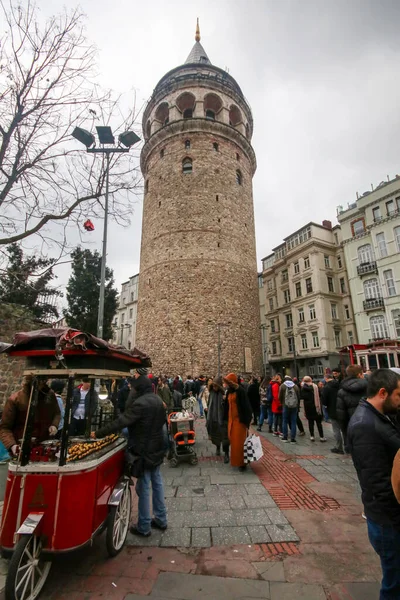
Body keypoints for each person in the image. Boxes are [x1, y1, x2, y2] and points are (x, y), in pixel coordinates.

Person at [347, 369, 400, 600]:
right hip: (388, 521)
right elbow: (378, 484)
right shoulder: (364, 426)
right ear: (382, 393)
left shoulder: (381, 416)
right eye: (398, 395)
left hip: (388, 517)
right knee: (394, 585)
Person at [94, 373, 167, 537]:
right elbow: (162, 422)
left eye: (133, 388)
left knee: (144, 486)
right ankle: (161, 519)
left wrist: (98, 433)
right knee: (157, 483)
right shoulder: (157, 401)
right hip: (157, 447)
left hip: (144, 450)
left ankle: (144, 526)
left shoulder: (140, 404)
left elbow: (122, 422)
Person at [0, 377, 60, 455]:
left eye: (43, 381)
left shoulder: (50, 395)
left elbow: (57, 413)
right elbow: (5, 428)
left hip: (44, 445)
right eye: (39, 381)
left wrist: (54, 425)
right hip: (21, 446)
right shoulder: (15, 399)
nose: (41, 384)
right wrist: (12, 445)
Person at [223, 372, 252, 471]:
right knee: (233, 441)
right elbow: (226, 406)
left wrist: (246, 420)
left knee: (240, 442)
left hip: (239, 421)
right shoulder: (229, 392)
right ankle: (236, 460)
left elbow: (246, 405)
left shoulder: (241, 391)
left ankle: (242, 463)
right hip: (231, 420)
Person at [336, 365, 368, 453]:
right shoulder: (370, 387)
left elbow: (342, 416)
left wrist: (346, 439)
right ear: (359, 374)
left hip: (352, 426)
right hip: (371, 425)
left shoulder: (342, 391)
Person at [206, 376, 229, 462]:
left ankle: (226, 453)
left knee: (225, 438)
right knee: (216, 436)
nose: (215, 388)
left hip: (222, 419)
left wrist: (225, 400)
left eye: (216, 386)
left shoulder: (223, 394)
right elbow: (209, 404)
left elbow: (227, 407)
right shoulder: (211, 393)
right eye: (213, 386)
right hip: (213, 418)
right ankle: (218, 448)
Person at [300, 376, 326, 442]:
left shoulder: (303, 388)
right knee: (319, 423)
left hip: (308, 407)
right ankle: (321, 437)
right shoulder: (315, 387)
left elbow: (302, 397)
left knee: (310, 422)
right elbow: (320, 395)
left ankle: (312, 436)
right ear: (311, 380)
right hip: (316, 407)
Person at [322, 374, 343, 454]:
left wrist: (326, 406)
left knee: (336, 429)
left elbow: (324, 400)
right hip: (342, 408)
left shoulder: (326, 387)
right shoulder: (339, 385)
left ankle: (339, 447)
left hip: (333, 410)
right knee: (344, 429)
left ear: (326, 378)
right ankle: (348, 446)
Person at [279, 375, 300, 443]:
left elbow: (279, 396)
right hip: (294, 406)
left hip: (285, 405)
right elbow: (298, 397)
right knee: (293, 421)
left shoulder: (282, 386)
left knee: (285, 421)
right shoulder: (295, 386)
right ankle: (293, 438)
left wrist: (282, 403)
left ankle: (285, 437)